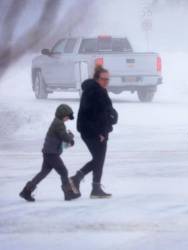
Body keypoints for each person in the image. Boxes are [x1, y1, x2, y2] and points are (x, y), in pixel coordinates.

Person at [70, 65, 118, 199]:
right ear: (97, 79)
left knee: (98, 159)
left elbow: (107, 111)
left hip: (96, 131)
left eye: (108, 79)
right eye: (103, 79)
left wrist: (113, 116)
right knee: (98, 159)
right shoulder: (93, 92)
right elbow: (93, 115)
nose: (106, 82)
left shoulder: (100, 90)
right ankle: (80, 181)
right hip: (92, 132)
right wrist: (100, 133)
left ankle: (92, 186)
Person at [19, 104, 80, 202]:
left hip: (48, 152)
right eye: (67, 117)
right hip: (52, 154)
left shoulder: (57, 122)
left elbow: (61, 137)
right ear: (62, 115)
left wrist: (68, 139)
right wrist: (71, 137)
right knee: (63, 171)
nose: (68, 119)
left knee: (43, 172)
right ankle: (68, 193)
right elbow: (64, 137)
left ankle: (26, 191)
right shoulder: (59, 124)